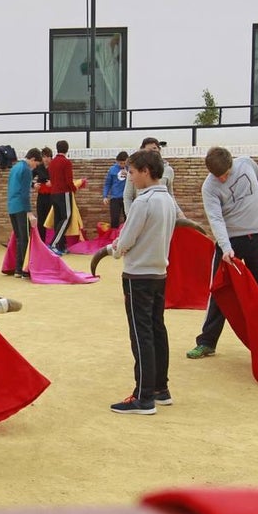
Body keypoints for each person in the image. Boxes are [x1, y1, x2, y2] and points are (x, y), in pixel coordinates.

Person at [105, 151, 178, 414]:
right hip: (159, 273)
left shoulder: (143, 202)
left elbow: (127, 239)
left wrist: (116, 249)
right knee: (157, 329)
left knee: (141, 333)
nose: (130, 177)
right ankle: (160, 388)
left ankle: (143, 396)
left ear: (146, 171)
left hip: (138, 275)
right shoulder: (168, 201)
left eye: (133, 172)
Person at [186, 148, 258, 360]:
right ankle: (207, 342)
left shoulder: (247, 163)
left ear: (231, 164)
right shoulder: (209, 187)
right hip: (230, 240)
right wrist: (226, 247)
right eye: (218, 176)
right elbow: (215, 219)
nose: (222, 179)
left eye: (225, 174)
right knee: (220, 290)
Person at [7, 148, 41, 279]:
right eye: (36, 164)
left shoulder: (15, 167)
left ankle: (18, 269)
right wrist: (29, 212)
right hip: (21, 207)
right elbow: (24, 194)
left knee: (19, 238)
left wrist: (31, 184)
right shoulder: (26, 170)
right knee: (25, 239)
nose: (35, 167)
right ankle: (24, 269)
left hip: (12, 206)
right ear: (32, 159)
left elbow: (16, 186)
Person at [124, 137, 180, 213]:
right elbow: (127, 196)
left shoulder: (168, 170)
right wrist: (129, 214)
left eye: (154, 148)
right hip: (142, 211)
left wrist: (179, 213)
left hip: (162, 211)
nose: (153, 152)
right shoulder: (135, 171)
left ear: (159, 149)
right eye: (149, 150)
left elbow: (170, 194)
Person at [47, 139, 76, 255]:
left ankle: (61, 245)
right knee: (66, 218)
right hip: (64, 193)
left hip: (53, 193)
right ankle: (54, 244)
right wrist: (74, 189)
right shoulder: (66, 162)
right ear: (67, 149)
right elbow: (69, 180)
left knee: (58, 219)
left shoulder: (52, 162)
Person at [102, 151, 129, 228]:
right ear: (117, 161)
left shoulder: (131, 169)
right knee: (114, 219)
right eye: (120, 163)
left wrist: (128, 175)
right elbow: (108, 184)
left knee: (128, 219)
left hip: (127, 197)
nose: (122, 165)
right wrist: (105, 196)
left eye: (124, 163)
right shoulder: (112, 169)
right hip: (115, 197)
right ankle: (114, 234)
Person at [33, 146, 53, 245]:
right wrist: (33, 185)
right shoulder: (39, 167)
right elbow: (29, 178)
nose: (46, 159)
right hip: (41, 196)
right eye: (44, 157)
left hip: (52, 196)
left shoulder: (54, 167)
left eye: (48, 157)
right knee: (41, 219)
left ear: (51, 157)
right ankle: (41, 242)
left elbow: (61, 180)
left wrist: (53, 183)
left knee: (53, 219)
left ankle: (54, 242)